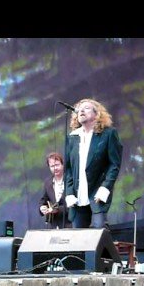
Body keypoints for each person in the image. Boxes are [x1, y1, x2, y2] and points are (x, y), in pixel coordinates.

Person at [65, 98, 123, 229]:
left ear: (96, 114)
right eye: (79, 109)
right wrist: (69, 192)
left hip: (97, 193)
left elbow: (114, 164)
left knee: (98, 233)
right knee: (78, 238)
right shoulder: (72, 137)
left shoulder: (108, 134)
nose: (81, 110)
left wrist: (105, 188)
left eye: (86, 108)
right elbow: (68, 169)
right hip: (77, 196)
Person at [39, 152, 70, 229]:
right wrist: (42, 208)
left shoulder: (70, 179)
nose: (55, 168)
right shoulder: (48, 182)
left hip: (70, 223)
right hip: (54, 225)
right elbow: (43, 201)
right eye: (52, 166)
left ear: (62, 164)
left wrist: (57, 210)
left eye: (57, 165)